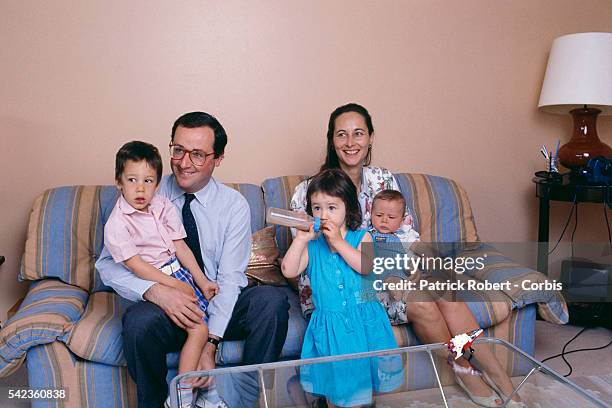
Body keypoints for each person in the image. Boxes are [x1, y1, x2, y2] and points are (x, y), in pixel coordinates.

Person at [291, 103, 524, 407]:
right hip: (344, 290)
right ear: (331, 140)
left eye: (358, 133)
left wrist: (411, 272)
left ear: (371, 137)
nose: (350, 143)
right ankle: (465, 371)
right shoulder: (309, 190)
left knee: (442, 291)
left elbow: (406, 235)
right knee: (424, 306)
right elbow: (306, 259)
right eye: (342, 135)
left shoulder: (383, 181)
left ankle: (499, 376)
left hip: (388, 271)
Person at [96, 112, 290, 408]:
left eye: (198, 155)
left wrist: (210, 341)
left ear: (219, 157)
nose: (184, 163)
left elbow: (229, 278)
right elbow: (107, 265)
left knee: (270, 302)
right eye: (178, 150)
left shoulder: (233, 205)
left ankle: (250, 399)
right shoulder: (144, 191)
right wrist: (155, 291)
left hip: (214, 299)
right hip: (170, 306)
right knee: (138, 322)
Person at [104, 141, 222, 408]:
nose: (140, 188)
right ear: (119, 182)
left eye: (148, 180)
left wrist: (201, 281)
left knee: (207, 324)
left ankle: (203, 392)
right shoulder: (117, 223)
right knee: (199, 328)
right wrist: (173, 285)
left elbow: (180, 246)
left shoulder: (163, 205)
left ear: (157, 184)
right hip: (156, 281)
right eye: (132, 180)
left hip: (181, 274)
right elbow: (136, 266)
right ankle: (183, 393)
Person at [282, 168, 401, 407]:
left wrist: (337, 241)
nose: (323, 214)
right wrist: (300, 240)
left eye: (331, 207)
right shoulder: (313, 246)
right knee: (337, 387)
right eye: (317, 208)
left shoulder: (362, 236)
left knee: (369, 382)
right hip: (332, 326)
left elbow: (366, 266)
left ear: (348, 206)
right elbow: (289, 270)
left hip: (366, 320)